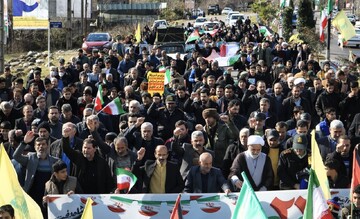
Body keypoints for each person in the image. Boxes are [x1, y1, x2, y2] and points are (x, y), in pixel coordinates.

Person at [13, 131, 59, 217]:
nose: (41, 147)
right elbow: (16, 156)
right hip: (32, 195)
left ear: (48, 146)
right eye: (38, 145)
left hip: (48, 196)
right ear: (35, 147)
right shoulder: (30, 158)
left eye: (43, 144)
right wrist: (24, 142)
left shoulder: (55, 161)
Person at [61, 126, 115, 194]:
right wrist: (65, 137)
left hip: (98, 197)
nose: (86, 150)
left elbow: (108, 180)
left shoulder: (101, 162)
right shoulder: (78, 157)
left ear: (95, 149)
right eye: (84, 148)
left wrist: (110, 192)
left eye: (88, 148)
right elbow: (66, 149)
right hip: (79, 195)